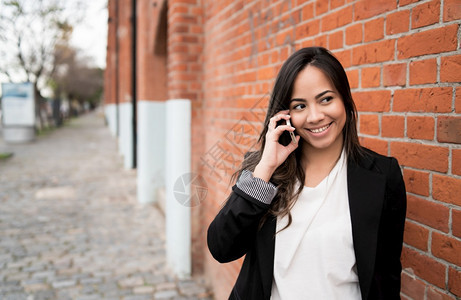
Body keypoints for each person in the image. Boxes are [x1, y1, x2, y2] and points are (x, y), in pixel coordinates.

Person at [207, 47, 407, 300]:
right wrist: (266, 167)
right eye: (300, 106)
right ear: (285, 115)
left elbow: (386, 275)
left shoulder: (382, 176)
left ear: (344, 99)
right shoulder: (264, 174)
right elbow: (221, 248)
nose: (315, 116)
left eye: (326, 99)